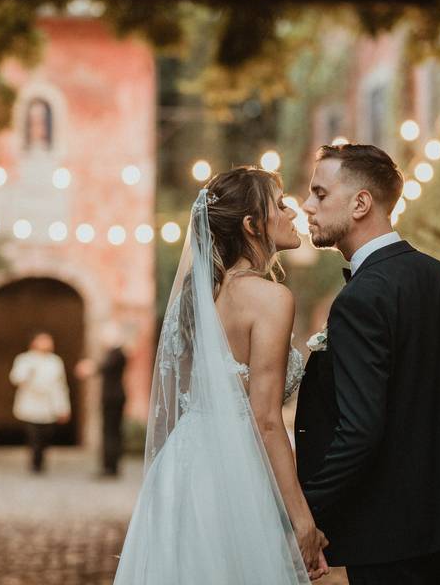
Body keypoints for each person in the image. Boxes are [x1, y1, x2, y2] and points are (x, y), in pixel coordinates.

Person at [114, 167, 330, 584]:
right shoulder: (270, 298)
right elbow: (265, 419)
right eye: (280, 205)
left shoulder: (198, 297)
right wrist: (302, 520)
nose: (292, 213)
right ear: (252, 225)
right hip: (235, 472)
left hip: (182, 467)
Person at [295, 144, 440, 584]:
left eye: (320, 194)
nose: (307, 206)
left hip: (387, 531)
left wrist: (305, 509)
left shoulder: (360, 299)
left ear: (361, 203)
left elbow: (360, 428)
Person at [9, 332, 71, 473]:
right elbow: (16, 378)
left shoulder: (55, 361)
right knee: (33, 434)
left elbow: (60, 386)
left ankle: (41, 459)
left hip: (49, 404)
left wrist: (63, 407)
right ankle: (35, 463)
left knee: (46, 435)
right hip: (31, 403)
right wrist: (28, 373)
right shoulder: (25, 359)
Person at [98, 323, 128, 477]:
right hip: (113, 397)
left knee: (111, 432)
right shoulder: (115, 353)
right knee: (110, 431)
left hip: (113, 397)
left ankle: (111, 466)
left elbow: (104, 367)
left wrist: (91, 368)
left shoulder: (117, 353)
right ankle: (109, 464)